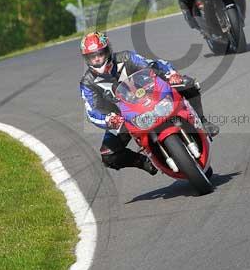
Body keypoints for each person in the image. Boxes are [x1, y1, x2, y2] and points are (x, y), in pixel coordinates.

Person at [78, 31, 219, 174]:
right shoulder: (88, 83)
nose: (97, 59)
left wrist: (171, 74)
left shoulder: (126, 57)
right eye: (92, 57)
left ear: (108, 51)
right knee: (108, 154)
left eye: (100, 54)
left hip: (152, 98)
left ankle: (202, 121)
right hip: (123, 118)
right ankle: (144, 161)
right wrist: (108, 119)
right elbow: (92, 111)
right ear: (86, 59)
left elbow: (154, 64)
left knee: (187, 84)